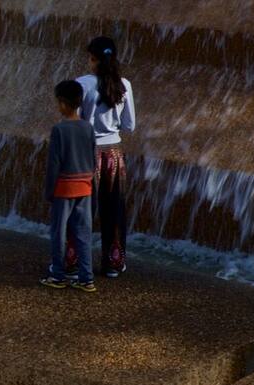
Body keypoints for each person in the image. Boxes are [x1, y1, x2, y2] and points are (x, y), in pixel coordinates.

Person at [77, 36, 138, 278]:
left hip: (87, 152)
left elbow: (76, 120)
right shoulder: (124, 85)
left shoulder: (82, 84)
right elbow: (130, 125)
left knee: (81, 209)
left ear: (92, 58)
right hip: (114, 153)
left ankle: (73, 262)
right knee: (114, 209)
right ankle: (113, 262)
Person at [41, 80, 99, 292]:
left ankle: (58, 274)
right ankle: (86, 279)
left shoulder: (59, 129)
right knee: (83, 233)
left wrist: (49, 191)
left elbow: (53, 164)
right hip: (85, 188)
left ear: (63, 103)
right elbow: (94, 160)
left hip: (63, 189)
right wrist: (92, 186)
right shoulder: (88, 127)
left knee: (58, 233)